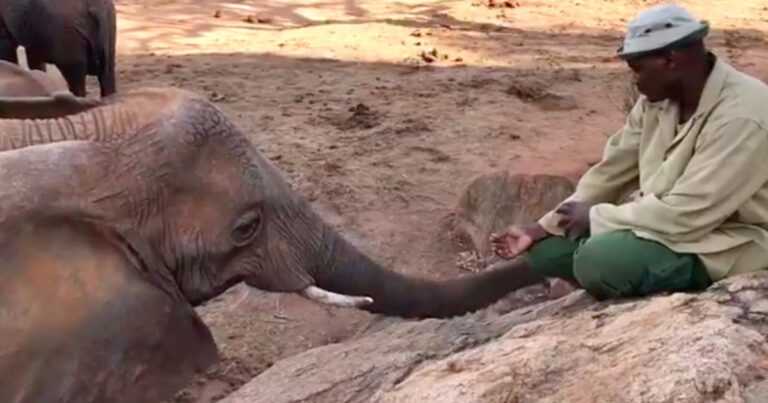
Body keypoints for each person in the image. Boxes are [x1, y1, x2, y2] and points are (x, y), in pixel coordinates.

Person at [489, 3, 768, 300]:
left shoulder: (744, 115)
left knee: (598, 260)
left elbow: (689, 213)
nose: (635, 80)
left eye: (638, 68)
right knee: (547, 252)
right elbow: (611, 172)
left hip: (730, 238)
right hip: (661, 223)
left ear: (670, 59)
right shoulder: (658, 100)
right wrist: (542, 228)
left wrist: (597, 219)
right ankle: (632, 265)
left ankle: (646, 273)